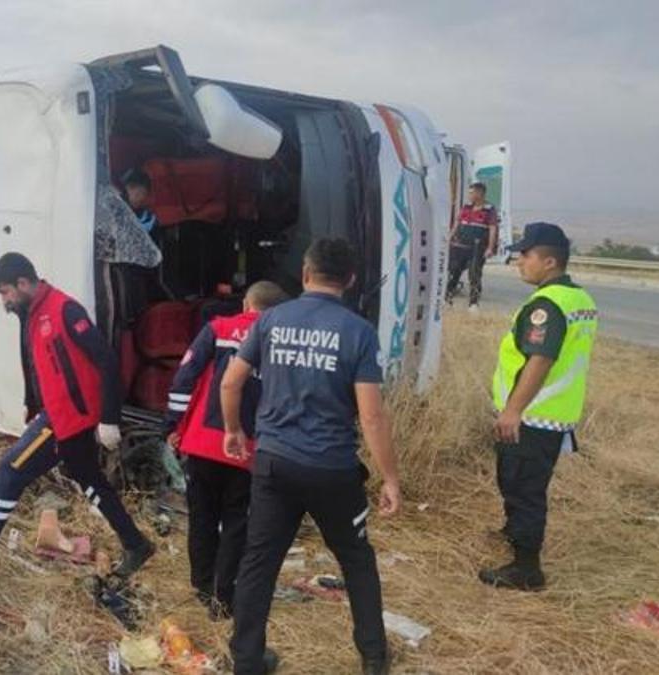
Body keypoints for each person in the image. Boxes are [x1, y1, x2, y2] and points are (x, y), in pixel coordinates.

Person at [222, 238, 402, 675]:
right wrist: (391, 479)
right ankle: (374, 660)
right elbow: (372, 416)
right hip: (332, 469)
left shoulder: (271, 320)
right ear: (351, 280)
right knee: (357, 561)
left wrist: (233, 431)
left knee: (259, 562)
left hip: (274, 463)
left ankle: (246, 660)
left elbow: (231, 383)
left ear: (305, 273)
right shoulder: (357, 331)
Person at [0, 252, 156, 576]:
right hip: (57, 414)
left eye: (6, 292)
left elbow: (106, 359)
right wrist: (32, 403)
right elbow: (43, 366)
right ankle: (136, 545)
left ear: (24, 283)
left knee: (11, 469)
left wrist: (109, 417)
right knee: (90, 480)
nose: (4, 301)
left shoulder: (64, 309)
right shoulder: (32, 312)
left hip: (69, 420)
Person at [479, 222, 596, 591]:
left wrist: (512, 410)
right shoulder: (579, 299)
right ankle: (516, 533)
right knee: (523, 484)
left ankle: (526, 568)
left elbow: (540, 360)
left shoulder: (547, 304)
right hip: (552, 415)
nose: (519, 262)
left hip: (531, 416)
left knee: (522, 488)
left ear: (549, 261)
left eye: (525, 255)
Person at [164, 280, 287, 620]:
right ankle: (223, 595)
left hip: (204, 443)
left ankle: (201, 586)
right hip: (251, 450)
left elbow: (184, 378)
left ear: (247, 305)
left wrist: (172, 425)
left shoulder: (217, 329)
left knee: (202, 517)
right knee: (237, 523)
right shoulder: (282, 345)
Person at [446, 181, 499, 309]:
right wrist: (449, 237)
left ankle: (473, 303)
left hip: (477, 247)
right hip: (460, 245)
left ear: (480, 193)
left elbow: (493, 229)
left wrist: (490, 248)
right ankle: (447, 297)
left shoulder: (489, 210)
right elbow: (457, 223)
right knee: (454, 270)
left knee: (474, 273)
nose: (470, 195)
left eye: (472, 192)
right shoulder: (466, 207)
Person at [122, 167, 158, 233]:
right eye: (127, 189)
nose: (142, 198)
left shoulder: (151, 218)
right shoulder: (120, 212)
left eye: (132, 187)